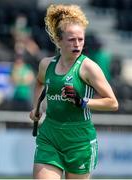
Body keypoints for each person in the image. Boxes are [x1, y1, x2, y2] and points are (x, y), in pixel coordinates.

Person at [29, 4, 118, 179]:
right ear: (58, 40)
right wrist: (36, 108)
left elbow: (112, 103)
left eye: (80, 39)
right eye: (71, 40)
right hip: (50, 136)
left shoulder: (89, 68)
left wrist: (82, 101)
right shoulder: (46, 64)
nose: (77, 44)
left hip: (79, 141)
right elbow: (39, 83)